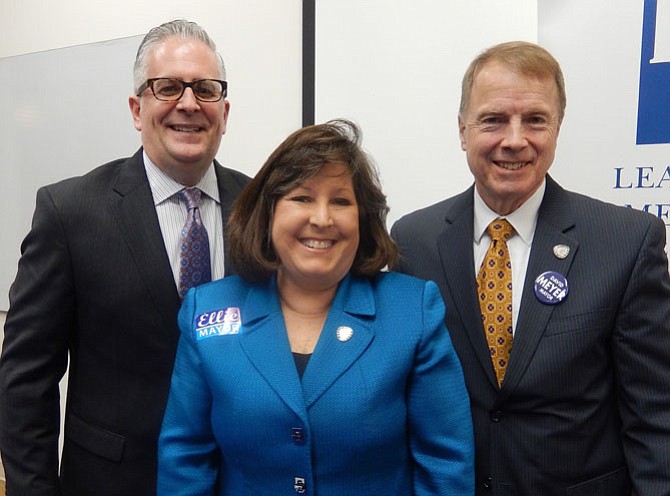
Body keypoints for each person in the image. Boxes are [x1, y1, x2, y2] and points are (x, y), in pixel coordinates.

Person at [391, 40, 670, 495]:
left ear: (558, 128)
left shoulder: (626, 241)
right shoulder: (412, 240)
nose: (515, 139)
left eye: (535, 120)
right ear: (462, 131)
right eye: (493, 119)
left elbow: (655, 416)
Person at [157, 119, 475, 495]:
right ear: (269, 211)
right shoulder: (206, 310)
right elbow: (185, 459)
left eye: (340, 201)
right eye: (302, 198)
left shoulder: (413, 311)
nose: (321, 219)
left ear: (362, 218)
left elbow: (445, 465)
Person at [0, 19, 250, 496]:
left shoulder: (263, 208)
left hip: (237, 480)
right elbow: (25, 381)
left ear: (225, 110)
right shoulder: (71, 213)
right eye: (168, 87)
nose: (190, 103)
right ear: (138, 109)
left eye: (206, 89)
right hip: (113, 482)